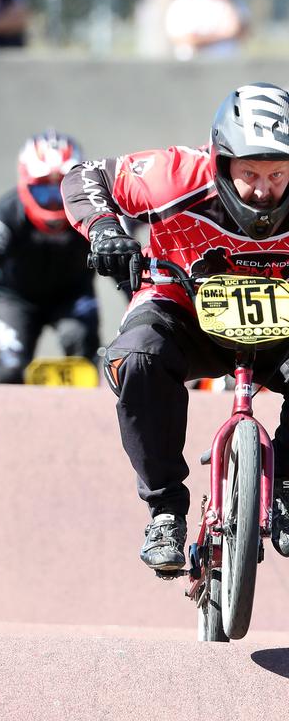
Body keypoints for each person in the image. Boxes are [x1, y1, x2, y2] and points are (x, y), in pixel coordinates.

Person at [61, 81, 289, 575]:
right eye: (249, 172)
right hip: (182, 309)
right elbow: (85, 177)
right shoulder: (175, 175)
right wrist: (104, 229)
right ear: (220, 159)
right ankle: (165, 510)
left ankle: (287, 484)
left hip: (281, 321)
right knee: (136, 356)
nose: (263, 190)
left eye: (278, 174)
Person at [0, 130, 99, 384]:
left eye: (63, 191)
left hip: (72, 297)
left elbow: (123, 264)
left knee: (83, 361)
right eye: (44, 192)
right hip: (16, 299)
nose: (55, 203)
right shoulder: (6, 212)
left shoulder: (94, 213)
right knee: (8, 369)